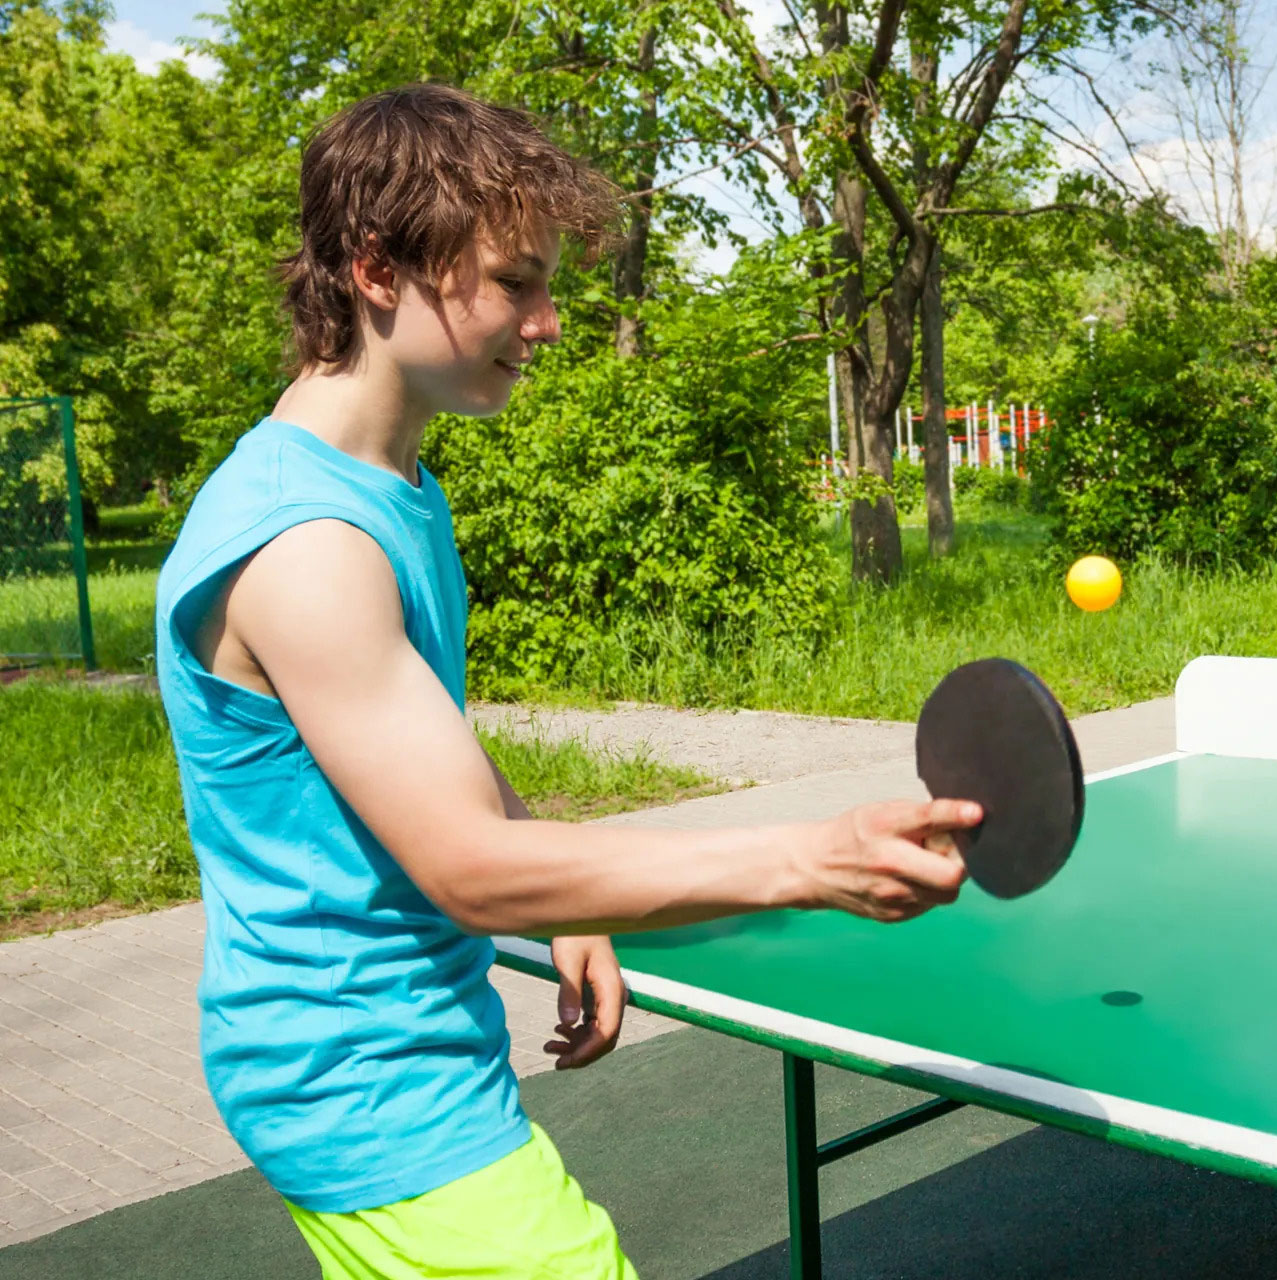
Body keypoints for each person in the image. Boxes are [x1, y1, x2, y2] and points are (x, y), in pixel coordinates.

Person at [155, 82, 980, 1280]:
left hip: (396, 1054)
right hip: (362, 1081)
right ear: (379, 270)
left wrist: (566, 894)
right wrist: (807, 858)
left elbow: (419, 738)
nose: (545, 322)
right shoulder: (307, 547)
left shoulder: (388, 486)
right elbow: (464, 866)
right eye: (514, 282)